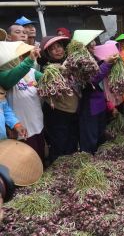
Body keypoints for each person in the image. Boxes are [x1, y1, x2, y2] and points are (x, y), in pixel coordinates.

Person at [0, 42, 45, 162]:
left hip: (36, 123)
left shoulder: (30, 71)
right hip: (21, 128)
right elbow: (12, 76)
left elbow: (46, 78)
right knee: (28, 161)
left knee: (39, 156)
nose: (17, 59)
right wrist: (30, 59)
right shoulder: (4, 76)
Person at [73, 30, 116, 154]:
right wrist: (107, 64)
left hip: (99, 104)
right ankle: (89, 163)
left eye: (94, 41)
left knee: (100, 136)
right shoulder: (78, 62)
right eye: (90, 42)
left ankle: (99, 162)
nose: (93, 44)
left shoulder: (94, 58)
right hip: (88, 106)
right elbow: (92, 80)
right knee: (89, 139)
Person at [40, 35, 78, 163]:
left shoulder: (70, 63)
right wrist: (63, 68)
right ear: (48, 53)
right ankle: (56, 170)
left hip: (72, 110)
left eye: (59, 46)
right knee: (58, 144)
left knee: (71, 143)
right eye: (53, 49)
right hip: (57, 112)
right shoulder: (48, 69)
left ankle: (69, 171)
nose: (57, 50)